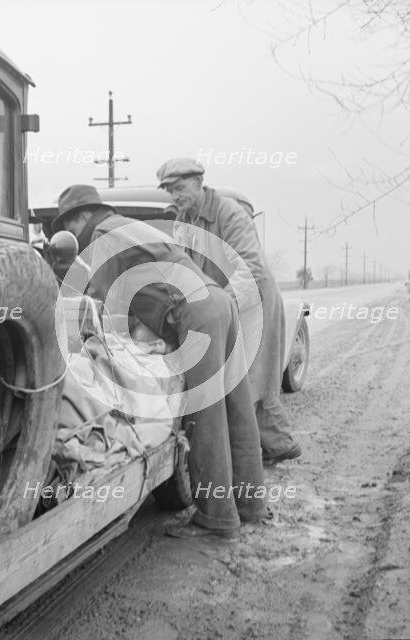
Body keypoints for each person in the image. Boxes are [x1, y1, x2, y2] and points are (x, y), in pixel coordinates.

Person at [52, 184, 270, 539]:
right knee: (237, 408)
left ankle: (217, 522)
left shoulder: (104, 236)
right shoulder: (127, 226)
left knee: (205, 417)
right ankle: (251, 505)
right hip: (218, 303)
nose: (72, 235)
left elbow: (104, 304)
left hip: (196, 315)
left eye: (70, 225)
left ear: (81, 217)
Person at [156, 158, 301, 465]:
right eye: (170, 191)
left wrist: (221, 304)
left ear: (199, 183)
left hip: (251, 303)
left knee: (249, 379)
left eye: (180, 188)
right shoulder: (184, 220)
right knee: (240, 379)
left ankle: (267, 448)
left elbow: (251, 268)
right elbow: (184, 265)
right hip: (221, 303)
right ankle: (276, 444)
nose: (175, 197)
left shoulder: (229, 213)